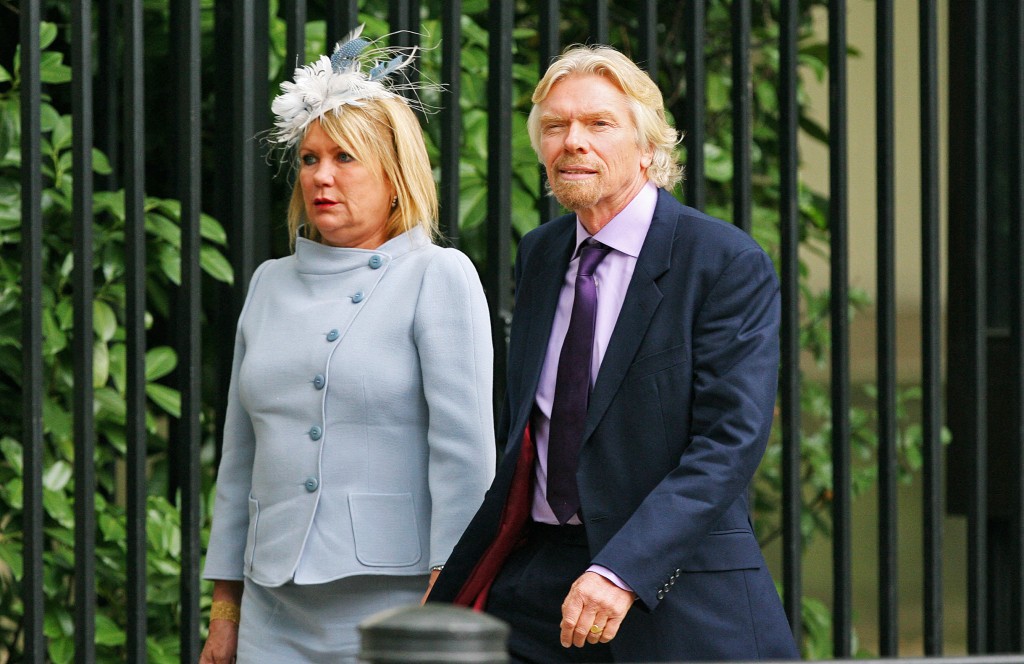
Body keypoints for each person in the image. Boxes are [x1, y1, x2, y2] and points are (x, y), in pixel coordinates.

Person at [427, 44, 799, 663]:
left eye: (599, 123)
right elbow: (526, 429)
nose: (573, 140)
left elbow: (729, 440)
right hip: (537, 582)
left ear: (649, 147)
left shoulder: (723, 262)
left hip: (669, 593)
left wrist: (622, 570)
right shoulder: (542, 254)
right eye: (555, 125)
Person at [200, 27, 495, 664]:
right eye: (310, 159)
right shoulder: (268, 283)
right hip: (270, 602)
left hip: (395, 599)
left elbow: (465, 459)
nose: (322, 177)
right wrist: (226, 610)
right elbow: (239, 460)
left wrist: (448, 603)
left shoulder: (437, 275)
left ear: (395, 176)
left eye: (345, 159)